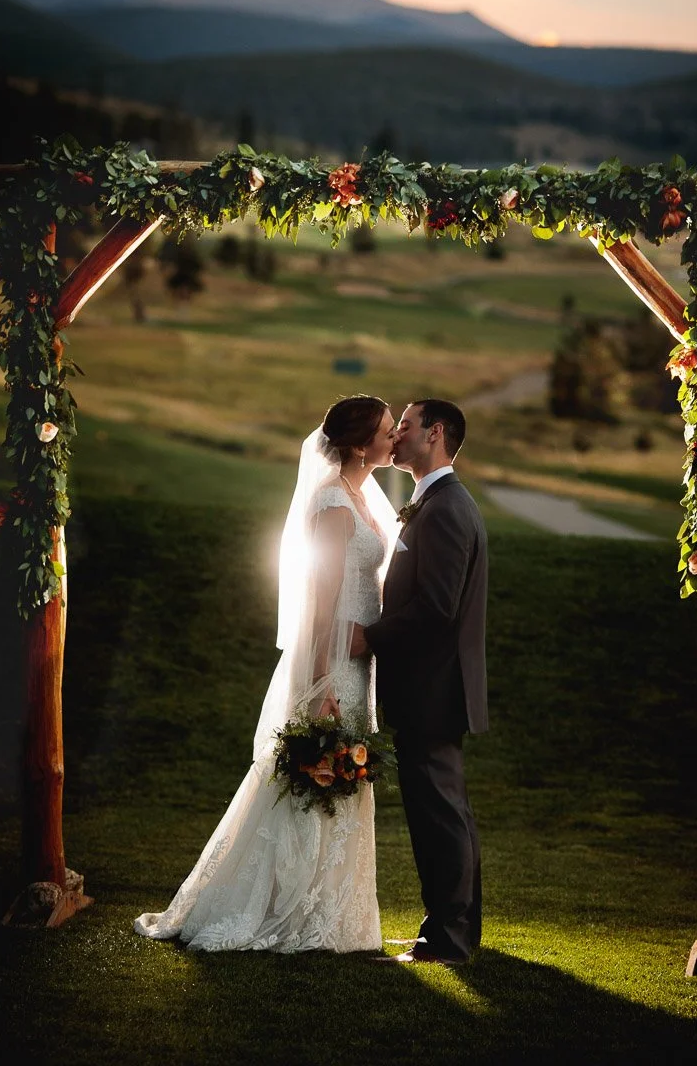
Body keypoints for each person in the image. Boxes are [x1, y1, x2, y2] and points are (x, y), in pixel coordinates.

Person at [134, 395, 398, 953]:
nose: (394, 436)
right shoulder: (332, 503)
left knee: (342, 777)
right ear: (359, 445)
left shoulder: (362, 496)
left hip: (359, 662)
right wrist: (322, 682)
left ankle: (333, 911)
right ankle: (284, 907)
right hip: (333, 662)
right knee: (314, 777)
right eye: (386, 430)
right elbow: (321, 600)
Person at [352, 398, 488, 965]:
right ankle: (456, 930)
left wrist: (371, 637)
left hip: (432, 688)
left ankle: (447, 939)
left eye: (405, 425)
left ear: (434, 434)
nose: (397, 435)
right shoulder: (435, 503)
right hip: (432, 687)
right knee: (446, 811)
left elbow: (436, 607)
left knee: (439, 815)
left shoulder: (446, 509)